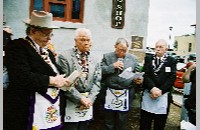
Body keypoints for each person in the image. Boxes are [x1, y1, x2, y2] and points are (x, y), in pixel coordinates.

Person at [4, 10, 71, 130]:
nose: (49, 38)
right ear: (33, 31)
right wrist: (52, 80)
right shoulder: (17, 46)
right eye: (46, 34)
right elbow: (21, 77)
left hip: (48, 107)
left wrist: (65, 80)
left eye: (51, 34)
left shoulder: (48, 51)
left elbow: (54, 72)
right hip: (26, 108)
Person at [57, 28, 102, 130]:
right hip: (70, 101)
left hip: (88, 104)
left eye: (88, 40)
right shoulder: (64, 57)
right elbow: (65, 83)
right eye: (82, 40)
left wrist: (89, 100)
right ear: (75, 41)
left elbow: (97, 82)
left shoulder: (95, 59)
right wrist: (80, 99)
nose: (86, 43)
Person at [101, 38, 143, 130]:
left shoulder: (133, 59)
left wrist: (139, 79)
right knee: (109, 118)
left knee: (122, 119)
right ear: (115, 46)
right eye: (119, 50)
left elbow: (137, 72)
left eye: (124, 51)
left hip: (126, 92)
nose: (121, 52)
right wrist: (112, 66)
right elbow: (100, 71)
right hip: (110, 92)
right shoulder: (107, 57)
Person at [140, 39, 177, 130]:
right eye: (156, 47)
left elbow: (171, 78)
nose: (158, 49)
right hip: (149, 93)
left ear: (166, 49)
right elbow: (146, 74)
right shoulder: (148, 58)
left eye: (161, 47)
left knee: (159, 124)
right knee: (145, 123)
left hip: (162, 95)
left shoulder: (171, 60)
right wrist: (152, 88)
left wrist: (160, 91)